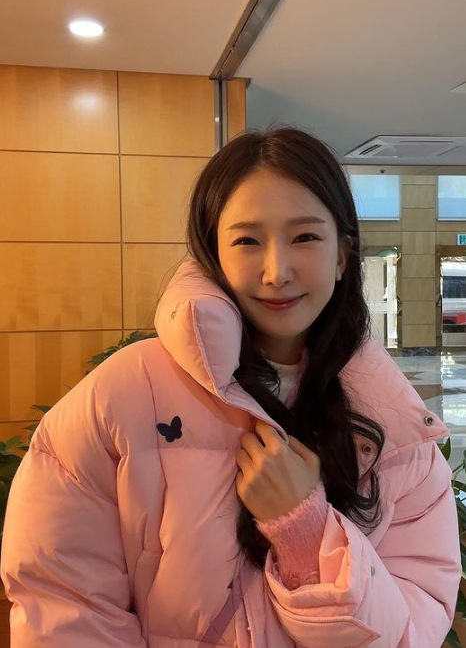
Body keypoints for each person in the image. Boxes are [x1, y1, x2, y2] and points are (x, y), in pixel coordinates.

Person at [1, 127, 461, 648]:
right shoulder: (120, 397)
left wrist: (305, 531)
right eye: (246, 241)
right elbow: (65, 609)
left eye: (305, 237)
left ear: (342, 256)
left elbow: (413, 628)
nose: (277, 271)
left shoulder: (396, 427)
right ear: (212, 254)